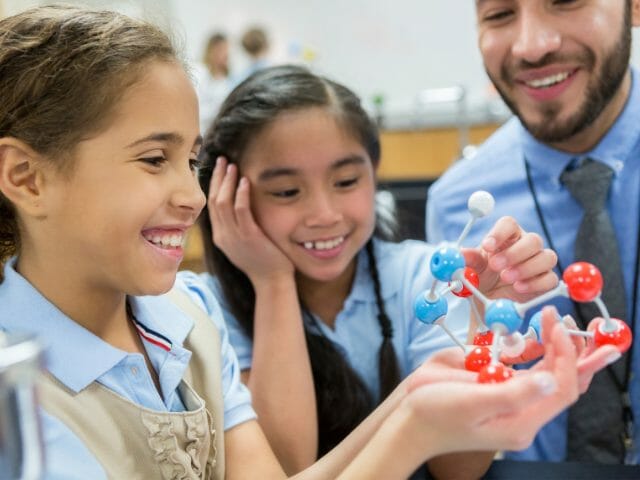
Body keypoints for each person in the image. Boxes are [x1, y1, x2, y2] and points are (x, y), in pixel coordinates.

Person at [0, 5, 611, 480]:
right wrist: (415, 428)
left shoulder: (187, 316)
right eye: (154, 158)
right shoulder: (15, 396)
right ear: (27, 178)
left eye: (190, 161)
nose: (191, 196)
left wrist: (419, 396)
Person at [195, 64, 613, 478]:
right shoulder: (203, 311)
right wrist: (272, 283)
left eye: (346, 181)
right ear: (224, 194)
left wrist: (482, 326)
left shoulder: (427, 280)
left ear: (374, 176)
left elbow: (458, 469)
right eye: (287, 191)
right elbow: (287, 467)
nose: (324, 214)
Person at [427, 0, 640, 465]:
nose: (531, 47)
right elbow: (459, 446)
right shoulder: (458, 208)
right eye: (500, 14)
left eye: (565, 1)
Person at [193, 32, 234, 134]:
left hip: (215, 133)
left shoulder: (225, 78)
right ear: (211, 51)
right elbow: (195, 108)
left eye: (227, 49)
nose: (226, 54)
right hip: (199, 131)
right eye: (221, 49)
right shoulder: (200, 72)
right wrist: (217, 109)